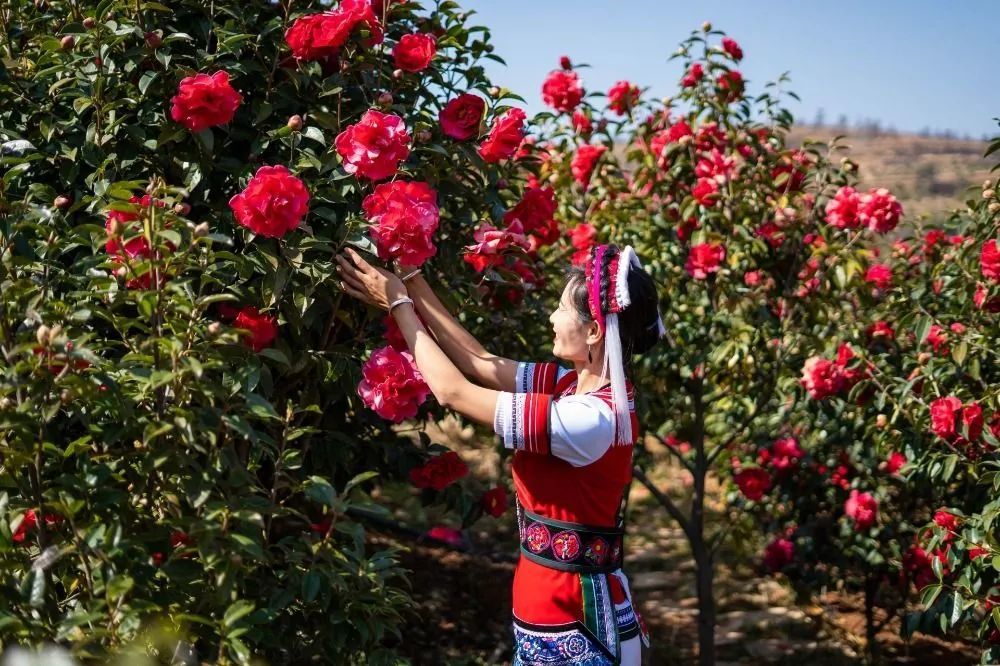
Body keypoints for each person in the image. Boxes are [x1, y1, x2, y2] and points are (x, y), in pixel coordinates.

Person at [334, 242, 664, 665]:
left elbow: (455, 391)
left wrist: (398, 303)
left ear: (595, 331)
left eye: (561, 308)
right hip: (553, 606)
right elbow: (478, 362)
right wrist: (412, 277)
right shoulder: (568, 385)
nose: (552, 317)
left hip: (575, 622)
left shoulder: (587, 419)